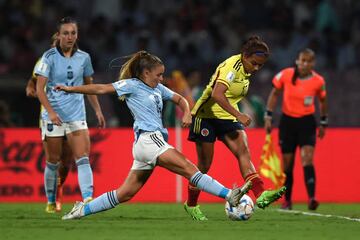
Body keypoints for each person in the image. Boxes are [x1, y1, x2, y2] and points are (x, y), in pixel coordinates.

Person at [56, 50, 252, 220]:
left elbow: (180, 98)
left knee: (124, 194)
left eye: (162, 74)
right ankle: (229, 195)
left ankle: (82, 210)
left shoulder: (157, 87)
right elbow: (100, 88)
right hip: (149, 139)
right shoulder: (131, 85)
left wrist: (186, 111)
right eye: (158, 75)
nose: (161, 78)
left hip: (146, 145)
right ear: (146, 72)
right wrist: (70, 89)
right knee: (189, 168)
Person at [185, 35, 286, 221]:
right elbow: (217, 94)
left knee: (243, 151)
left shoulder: (246, 72)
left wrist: (234, 115)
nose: (256, 68)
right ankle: (191, 204)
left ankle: (261, 193)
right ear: (245, 56)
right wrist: (239, 114)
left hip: (227, 116)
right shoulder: (232, 66)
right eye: (254, 63)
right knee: (204, 166)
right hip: (205, 116)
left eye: (260, 66)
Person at [35, 17, 106, 213]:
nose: (69, 37)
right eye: (65, 33)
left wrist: (98, 110)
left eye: (73, 33)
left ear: (77, 35)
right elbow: (40, 89)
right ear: (58, 35)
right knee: (53, 161)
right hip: (53, 117)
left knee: (82, 158)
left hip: (77, 115)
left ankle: (88, 199)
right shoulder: (48, 57)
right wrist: (50, 112)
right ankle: (51, 200)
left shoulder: (84, 57)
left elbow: (89, 86)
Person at [264, 48, 328, 210]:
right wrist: (268, 116)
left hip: (307, 123)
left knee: (307, 158)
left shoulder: (318, 81)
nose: (304, 63)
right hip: (288, 123)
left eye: (308, 61)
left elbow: (323, 101)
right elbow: (274, 94)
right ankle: (287, 200)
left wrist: (323, 122)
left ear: (313, 63)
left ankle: (312, 198)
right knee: (288, 165)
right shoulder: (285, 75)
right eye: (302, 60)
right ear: (298, 61)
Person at [26, 33, 72, 212]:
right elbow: (32, 82)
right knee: (53, 159)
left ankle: (58, 187)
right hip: (49, 117)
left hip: (71, 116)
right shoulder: (43, 61)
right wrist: (30, 89)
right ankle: (51, 199)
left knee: (66, 161)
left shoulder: (75, 62)